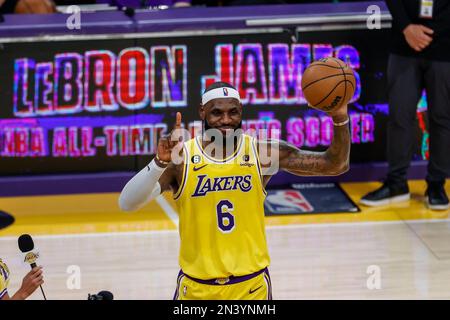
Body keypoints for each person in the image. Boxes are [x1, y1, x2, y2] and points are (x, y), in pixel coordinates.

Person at [119, 81, 350, 300]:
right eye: (217, 113)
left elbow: (335, 164)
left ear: (241, 111)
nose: (226, 120)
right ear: (202, 112)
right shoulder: (181, 158)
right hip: (197, 288)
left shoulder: (262, 153)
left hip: (251, 288)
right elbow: (127, 203)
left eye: (233, 112)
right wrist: (159, 163)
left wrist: (339, 117)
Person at [360, 0, 450, 210]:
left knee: (442, 117)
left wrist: (432, 32)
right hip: (403, 45)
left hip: (445, 47)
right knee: (399, 116)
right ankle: (396, 183)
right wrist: (406, 27)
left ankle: (437, 184)